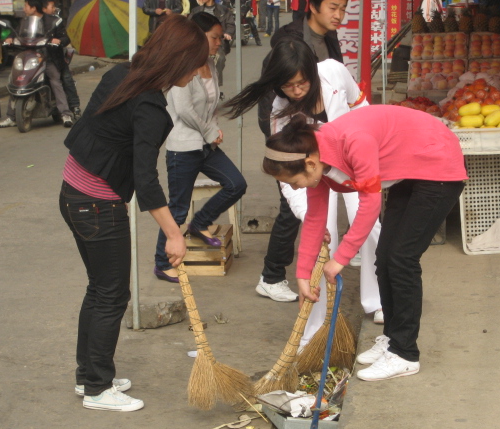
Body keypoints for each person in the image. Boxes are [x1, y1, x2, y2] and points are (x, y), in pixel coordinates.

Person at [60, 15, 208, 411]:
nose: (197, 73)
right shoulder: (150, 108)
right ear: (178, 60)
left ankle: (89, 374)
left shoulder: (122, 74)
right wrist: (174, 234)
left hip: (72, 191)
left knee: (99, 289)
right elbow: (145, 180)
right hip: (97, 204)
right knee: (112, 294)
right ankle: (97, 388)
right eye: (195, 64)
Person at [262, 106, 467, 381]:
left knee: (402, 258)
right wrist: (302, 275)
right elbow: (314, 218)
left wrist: (340, 259)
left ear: (309, 164)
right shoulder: (318, 161)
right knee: (383, 257)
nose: (297, 188)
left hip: (438, 164)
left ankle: (405, 354)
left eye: (295, 182)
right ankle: (393, 339)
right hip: (411, 169)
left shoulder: (354, 142)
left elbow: (369, 206)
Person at [225, 38, 382, 345]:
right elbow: (288, 177)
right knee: (323, 238)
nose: (296, 90)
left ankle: (377, 300)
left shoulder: (335, 72)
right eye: (287, 85)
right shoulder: (281, 113)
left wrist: (366, 149)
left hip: (353, 161)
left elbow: (361, 106)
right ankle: (317, 328)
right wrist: (308, 215)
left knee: (369, 225)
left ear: (312, 71)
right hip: (314, 176)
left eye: (301, 82)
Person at [243, 0, 347, 303]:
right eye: (333, 6)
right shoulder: (288, 44)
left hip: (323, 146)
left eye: (343, 8)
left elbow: (351, 101)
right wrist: (286, 157)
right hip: (294, 143)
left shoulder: (330, 51)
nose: (338, 14)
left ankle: (283, 273)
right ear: (312, 6)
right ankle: (272, 274)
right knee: (294, 207)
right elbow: (272, 110)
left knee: (315, 212)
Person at [153, 12, 246, 283]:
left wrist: (213, 129)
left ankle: (200, 223)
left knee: (236, 183)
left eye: (219, 37)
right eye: (214, 37)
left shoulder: (211, 65)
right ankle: (161, 263)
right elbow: (183, 109)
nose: (219, 42)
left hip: (206, 146)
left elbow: (210, 104)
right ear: (197, 36)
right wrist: (208, 131)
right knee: (177, 209)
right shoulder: (183, 65)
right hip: (183, 147)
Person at [0, 0, 74, 128]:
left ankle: (65, 114)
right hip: (27, 56)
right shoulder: (24, 21)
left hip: (48, 57)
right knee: (15, 79)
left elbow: (65, 38)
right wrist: (10, 38)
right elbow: (15, 33)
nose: (24, 8)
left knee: (55, 79)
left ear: (33, 8)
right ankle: (11, 116)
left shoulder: (53, 21)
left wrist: (58, 40)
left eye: (26, 5)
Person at [43, 0, 81, 118]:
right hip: (38, 59)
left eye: (53, 6)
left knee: (66, 78)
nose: (54, 8)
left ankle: (75, 106)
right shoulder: (31, 22)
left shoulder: (56, 21)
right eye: (52, 6)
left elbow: (65, 37)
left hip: (56, 58)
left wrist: (59, 41)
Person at [191, 0, 234, 88]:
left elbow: (231, 25)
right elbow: (189, 26)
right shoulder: (196, 10)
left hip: (219, 42)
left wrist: (227, 33)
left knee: (220, 58)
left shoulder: (224, 10)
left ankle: (216, 84)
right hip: (200, 43)